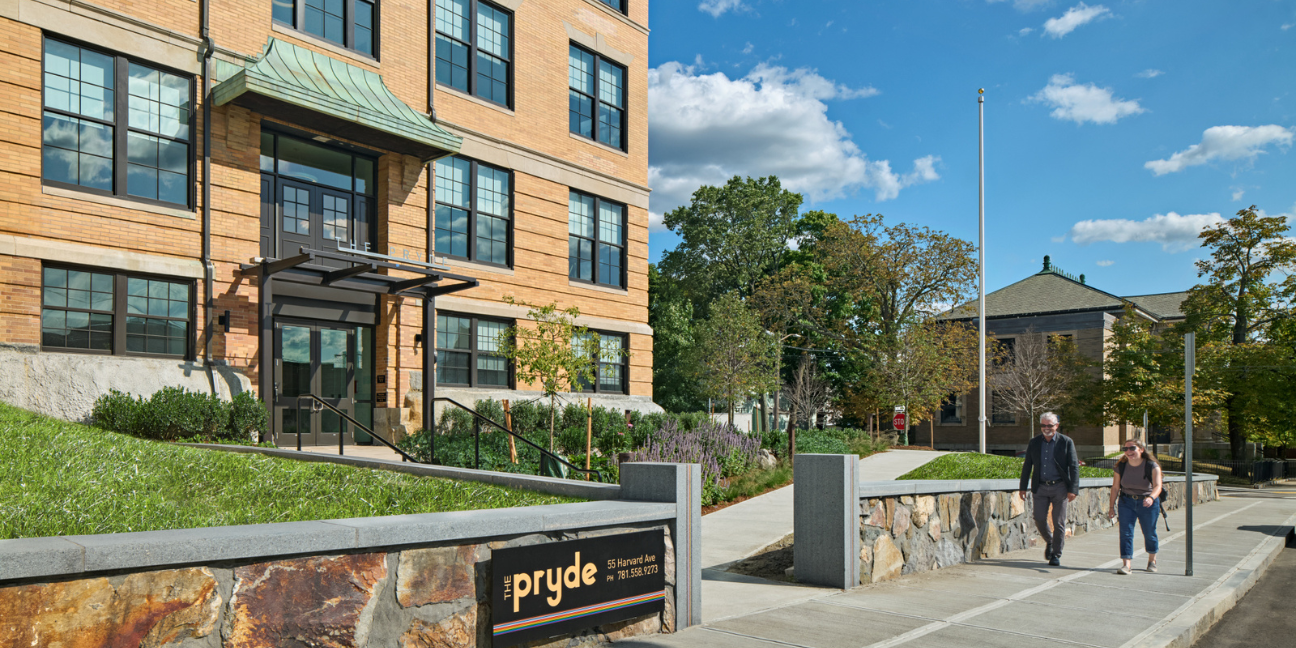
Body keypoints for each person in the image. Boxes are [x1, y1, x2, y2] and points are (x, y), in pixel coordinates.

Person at [1019, 412, 1079, 566]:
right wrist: (1023, 487)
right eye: (1043, 425)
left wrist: (1073, 489)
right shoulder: (1034, 442)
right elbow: (1027, 466)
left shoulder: (1066, 442)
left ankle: (1056, 554)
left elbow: (1073, 467)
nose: (1046, 428)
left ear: (1056, 426)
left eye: (1050, 425)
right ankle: (1050, 541)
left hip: (1060, 487)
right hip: (1040, 487)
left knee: (1058, 522)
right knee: (1038, 518)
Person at [1107, 438, 1162, 574]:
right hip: (1127, 502)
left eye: (1132, 448)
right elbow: (1115, 488)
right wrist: (1111, 506)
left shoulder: (1152, 465)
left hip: (1147, 503)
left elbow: (1158, 486)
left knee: (1149, 532)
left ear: (1141, 450)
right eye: (1125, 449)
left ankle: (1152, 560)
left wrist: (1151, 498)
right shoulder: (1121, 466)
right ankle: (1127, 564)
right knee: (1126, 533)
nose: (1128, 452)